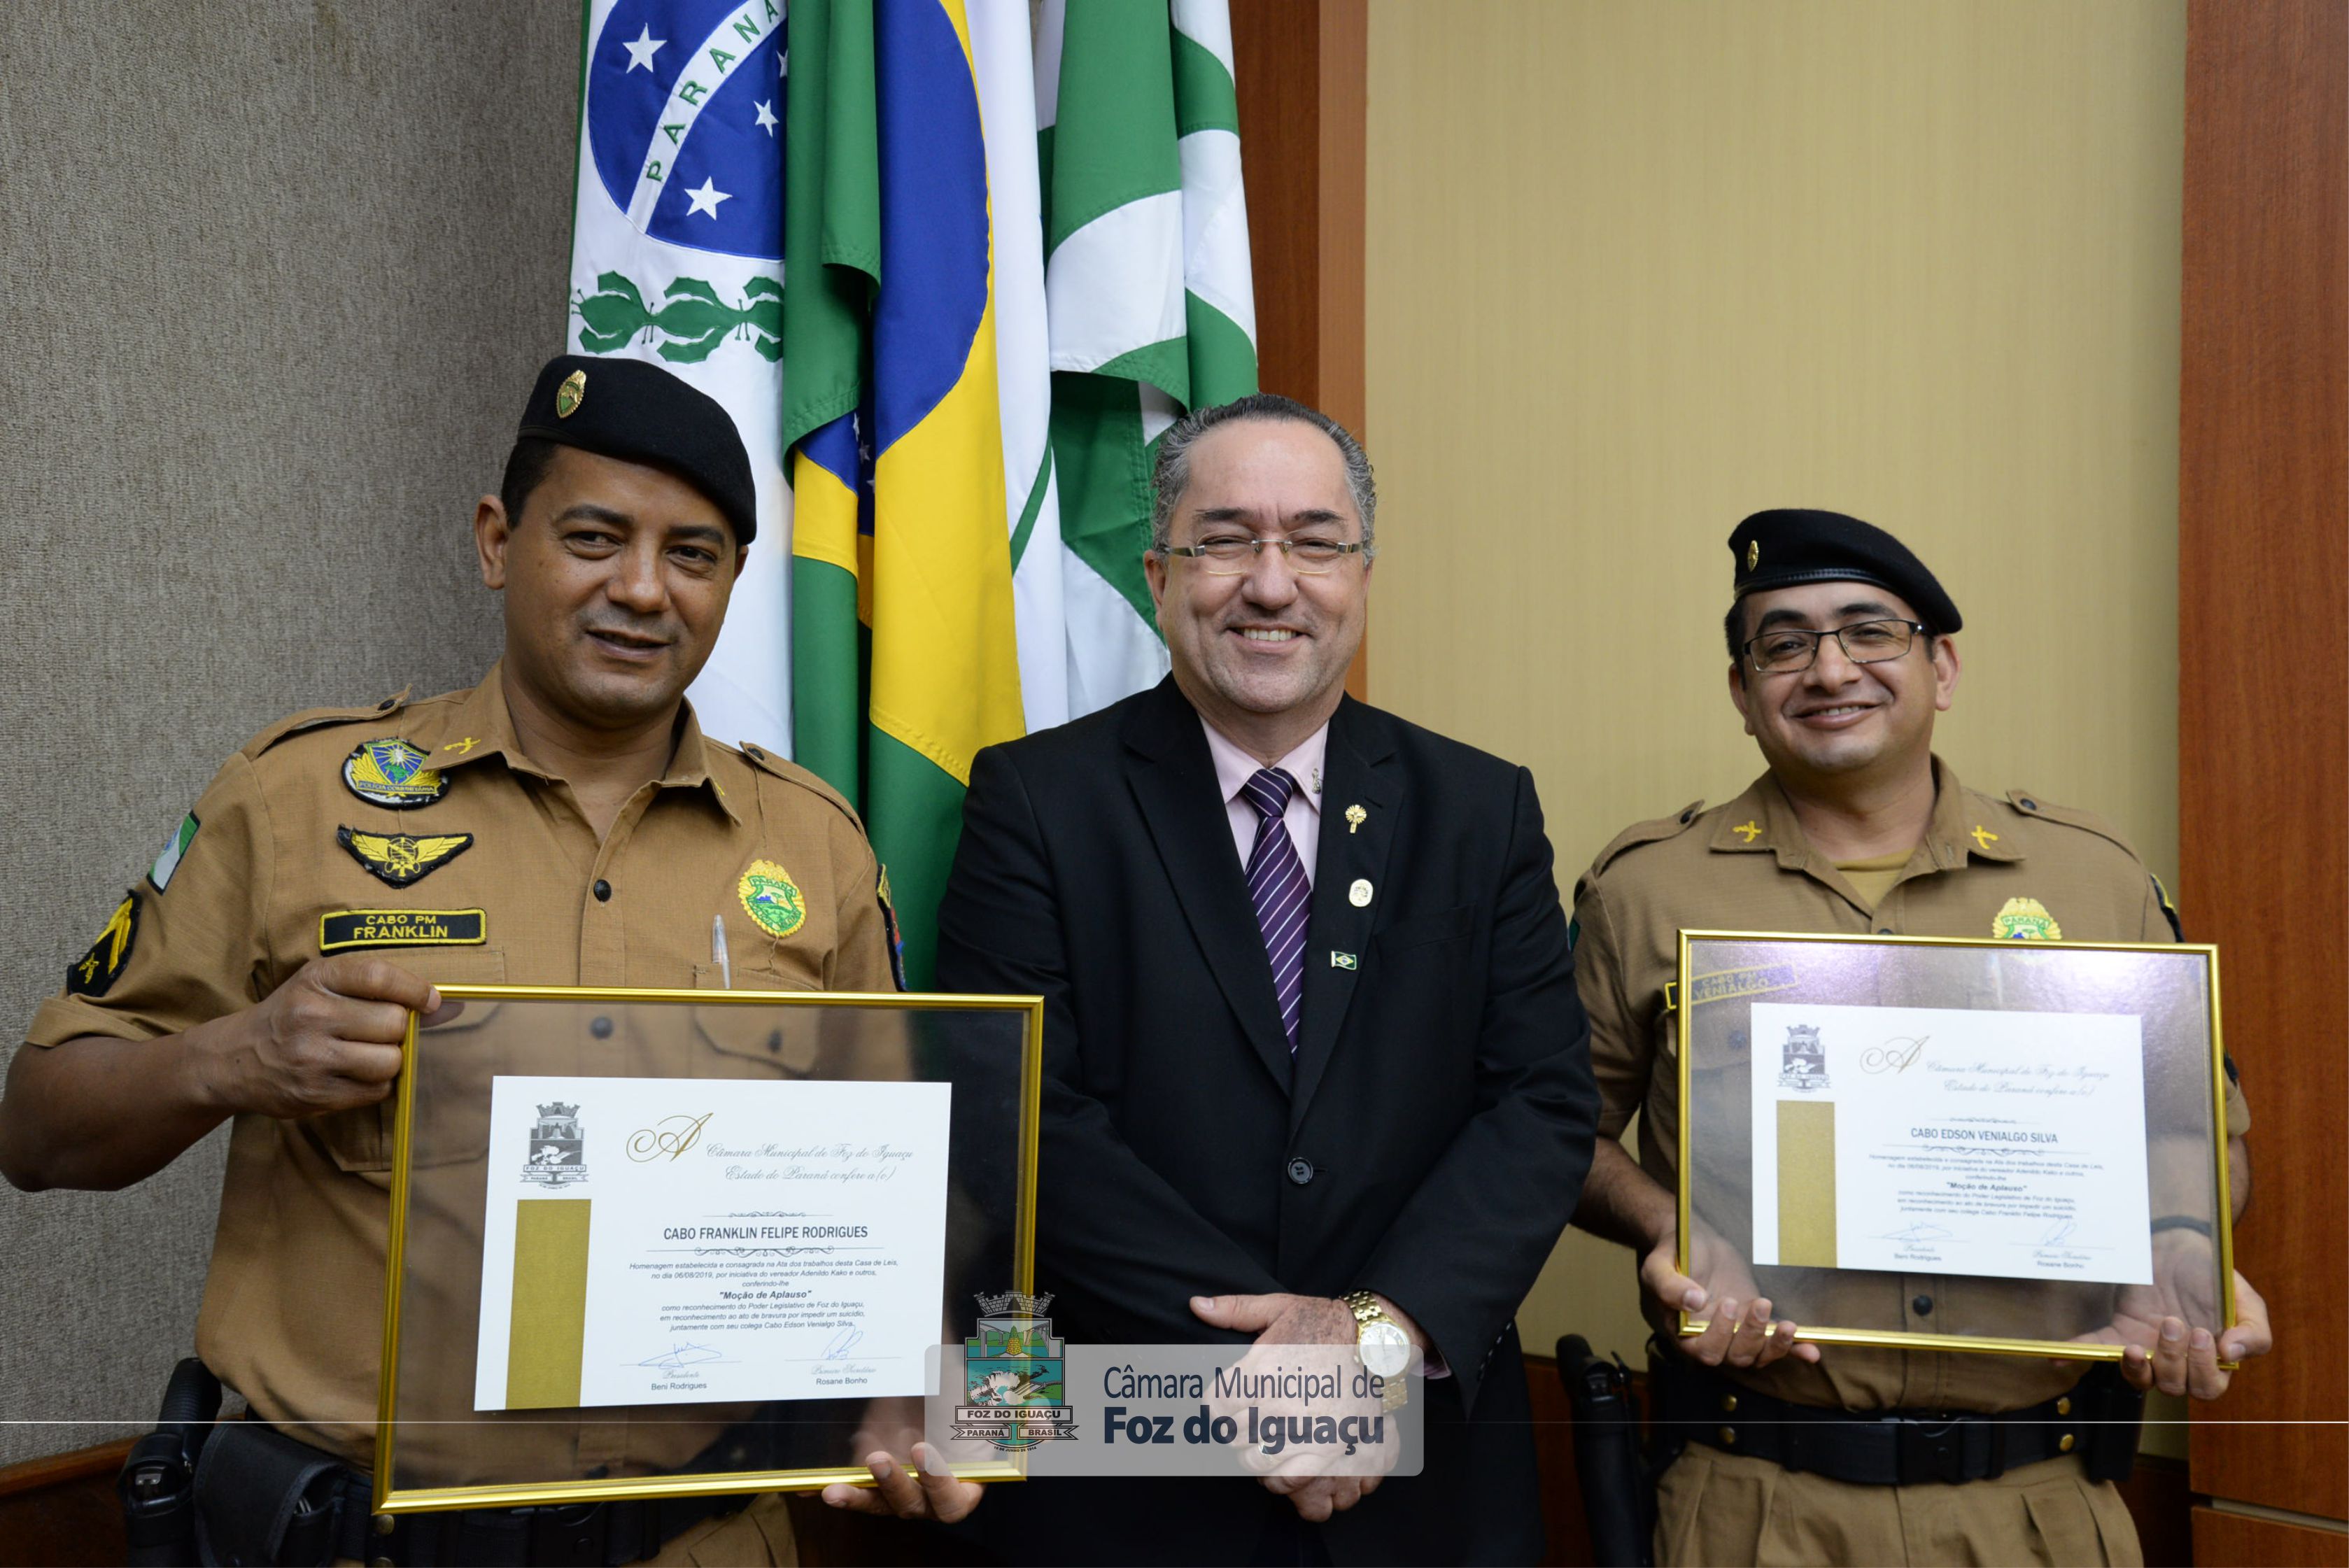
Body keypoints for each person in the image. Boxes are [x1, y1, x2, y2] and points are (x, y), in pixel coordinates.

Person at [0, 355, 976, 1565]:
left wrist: (953, 1401)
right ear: (495, 541)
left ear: (732, 581)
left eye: (692, 554)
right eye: (594, 535)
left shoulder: (814, 844)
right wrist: (236, 1056)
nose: (640, 589)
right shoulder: (295, 796)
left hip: (708, 1539)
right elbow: (34, 1129)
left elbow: (907, 1194)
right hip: (358, 1539)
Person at [934, 393, 1599, 1565]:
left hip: (1419, 1451)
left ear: (1362, 572)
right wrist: (1280, 1359)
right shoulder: (1035, 801)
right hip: (1124, 1452)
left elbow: (1539, 1103)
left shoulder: (1479, 808)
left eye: (1313, 541)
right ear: (1156, 572)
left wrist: (1373, 1334)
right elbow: (1020, 1113)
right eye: (1226, 538)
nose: (1271, 581)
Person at [1567, 508, 2273, 1566]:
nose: (1827, 668)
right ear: (1741, 691)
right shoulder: (1645, 890)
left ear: (1939, 666)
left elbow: (2197, 1127)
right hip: (1752, 1505)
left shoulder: (2090, 878)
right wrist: (1670, 1222)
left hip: (2038, 1508)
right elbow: (1547, 1130)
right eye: (1783, 642)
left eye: (1868, 631)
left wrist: (2179, 1237)